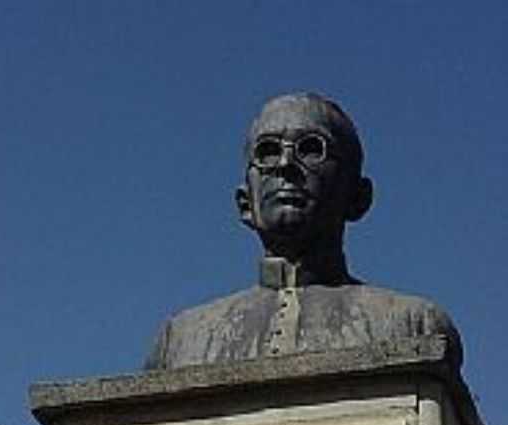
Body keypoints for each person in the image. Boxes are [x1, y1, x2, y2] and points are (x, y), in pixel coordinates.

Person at [145, 92, 461, 370]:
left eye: (311, 148)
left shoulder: (413, 325)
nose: (285, 163)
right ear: (245, 203)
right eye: (267, 151)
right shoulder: (179, 342)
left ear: (358, 198)